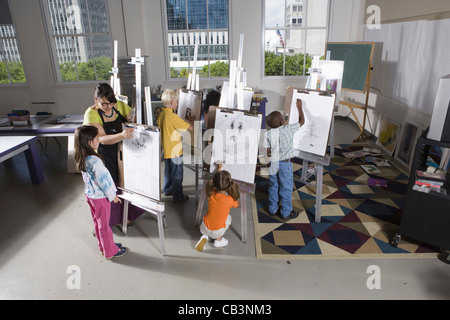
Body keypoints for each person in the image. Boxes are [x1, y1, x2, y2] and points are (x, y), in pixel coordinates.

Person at [83, 82, 145, 226]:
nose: (109, 107)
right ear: (95, 100)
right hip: (105, 154)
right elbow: (102, 139)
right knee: (112, 185)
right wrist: (122, 135)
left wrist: (132, 120)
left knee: (128, 182)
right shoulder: (91, 113)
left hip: (125, 151)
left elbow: (132, 117)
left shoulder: (120, 106)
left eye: (112, 103)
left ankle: (128, 216)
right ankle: (111, 220)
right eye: (104, 104)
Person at [74, 125, 127, 259]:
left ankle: (104, 246)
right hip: (100, 198)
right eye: (97, 138)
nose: (99, 140)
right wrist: (113, 196)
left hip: (91, 196)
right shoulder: (95, 160)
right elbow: (104, 181)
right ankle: (110, 251)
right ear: (90, 142)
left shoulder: (82, 156)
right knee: (104, 225)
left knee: (98, 223)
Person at [263, 99, 305, 221]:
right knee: (286, 187)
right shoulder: (288, 129)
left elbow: (267, 152)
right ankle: (286, 212)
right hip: (285, 164)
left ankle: (272, 209)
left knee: (273, 185)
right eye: (282, 117)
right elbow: (302, 121)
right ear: (282, 121)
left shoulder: (268, 134)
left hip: (273, 163)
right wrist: (299, 107)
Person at [157, 88, 194, 203]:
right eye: (177, 102)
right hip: (175, 150)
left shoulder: (161, 114)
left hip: (166, 149)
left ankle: (168, 189)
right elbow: (191, 128)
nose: (177, 104)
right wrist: (191, 120)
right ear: (172, 103)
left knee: (168, 171)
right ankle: (178, 196)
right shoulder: (173, 117)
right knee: (177, 174)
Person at [195, 162, 240, 251]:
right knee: (228, 217)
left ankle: (205, 236)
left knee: (211, 221)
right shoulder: (229, 200)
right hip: (217, 232)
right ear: (228, 186)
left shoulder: (210, 193)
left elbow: (215, 179)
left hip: (204, 227)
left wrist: (219, 168)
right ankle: (218, 241)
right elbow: (237, 204)